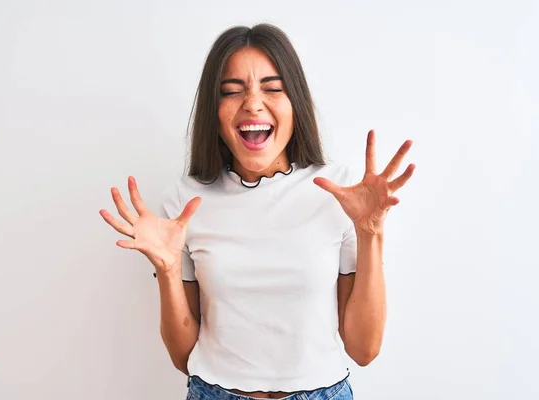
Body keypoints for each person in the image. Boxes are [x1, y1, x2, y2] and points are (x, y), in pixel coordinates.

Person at [99, 23, 415, 400]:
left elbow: (364, 349)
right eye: (232, 91)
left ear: (295, 102)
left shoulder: (341, 193)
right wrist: (168, 271)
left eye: (272, 88)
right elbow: (184, 357)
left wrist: (370, 232)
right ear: (213, 113)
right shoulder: (184, 203)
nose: (252, 102)